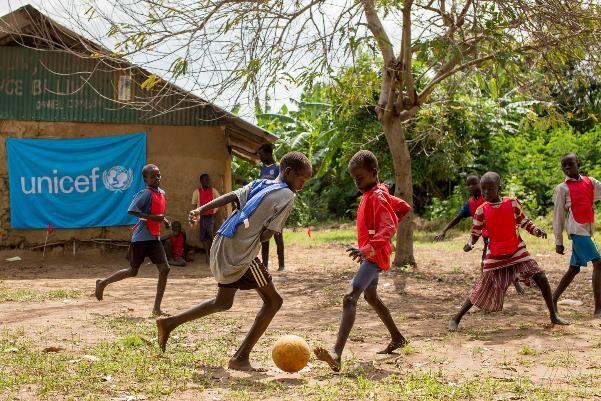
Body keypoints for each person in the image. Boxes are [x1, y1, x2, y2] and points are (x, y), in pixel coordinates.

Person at [156, 152, 313, 371]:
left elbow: (231, 196)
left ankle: (168, 323)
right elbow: (267, 235)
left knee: (223, 302)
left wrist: (200, 210)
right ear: (288, 172)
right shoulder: (287, 195)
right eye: (301, 180)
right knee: (273, 302)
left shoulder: (261, 183)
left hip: (223, 240)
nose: (302, 186)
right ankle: (240, 358)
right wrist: (256, 235)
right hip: (241, 253)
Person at [314, 150, 411, 372]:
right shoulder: (377, 193)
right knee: (372, 298)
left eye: (360, 178)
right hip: (373, 253)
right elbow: (403, 208)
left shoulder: (377, 195)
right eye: (354, 179)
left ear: (373, 172)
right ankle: (398, 338)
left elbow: (389, 225)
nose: (357, 183)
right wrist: (380, 242)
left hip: (373, 256)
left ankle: (336, 354)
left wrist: (373, 245)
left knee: (350, 298)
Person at [448, 172, 569, 331]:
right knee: (483, 286)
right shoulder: (481, 210)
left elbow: (524, 222)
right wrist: (470, 244)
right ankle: (456, 319)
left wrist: (536, 231)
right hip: (495, 255)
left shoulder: (512, 203)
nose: (485, 193)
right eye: (483, 189)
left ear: (499, 188)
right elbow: (475, 233)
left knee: (541, 277)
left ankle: (553, 316)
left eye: (490, 189)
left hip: (517, 251)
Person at [95, 164, 171, 315]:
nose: (157, 178)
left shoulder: (161, 193)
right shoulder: (144, 193)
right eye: (152, 176)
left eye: (158, 175)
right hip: (141, 238)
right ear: (145, 179)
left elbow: (157, 213)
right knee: (133, 271)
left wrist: (164, 220)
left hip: (154, 237)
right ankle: (103, 283)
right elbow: (131, 210)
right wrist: (153, 218)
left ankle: (156, 308)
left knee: (165, 269)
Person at [435, 175, 524, 294]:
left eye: (474, 183)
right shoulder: (470, 204)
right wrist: (444, 231)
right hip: (488, 237)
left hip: (502, 236)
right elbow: (458, 218)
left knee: (501, 260)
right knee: (489, 262)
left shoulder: (490, 197)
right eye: (468, 184)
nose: (471, 186)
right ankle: (486, 289)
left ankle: (496, 287)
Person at [552, 153, 601, 316]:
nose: (567, 168)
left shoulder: (591, 182)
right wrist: (558, 241)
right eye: (564, 165)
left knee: (574, 269)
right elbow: (558, 215)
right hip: (576, 230)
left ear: (578, 163)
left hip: (587, 229)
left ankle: (553, 299)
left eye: (570, 164)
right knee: (598, 263)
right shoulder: (562, 188)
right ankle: (598, 308)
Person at [257, 143, 285, 271]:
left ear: (268, 154)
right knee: (264, 236)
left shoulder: (279, 168)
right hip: (265, 207)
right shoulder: (262, 170)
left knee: (277, 235)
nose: (260, 157)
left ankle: (281, 265)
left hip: (277, 207)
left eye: (261, 154)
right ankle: (265, 265)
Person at [191, 174, 220, 263]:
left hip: (210, 216)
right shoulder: (197, 192)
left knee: (210, 233)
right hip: (201, 216)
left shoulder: (213, 191)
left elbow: (219, 200)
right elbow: (194, 204)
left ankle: (213, 253)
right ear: (201, 181)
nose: (207, 181)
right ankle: (207, 255)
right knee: (203, 236)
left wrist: (214, 211)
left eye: (208, 179)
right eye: (205, 180)